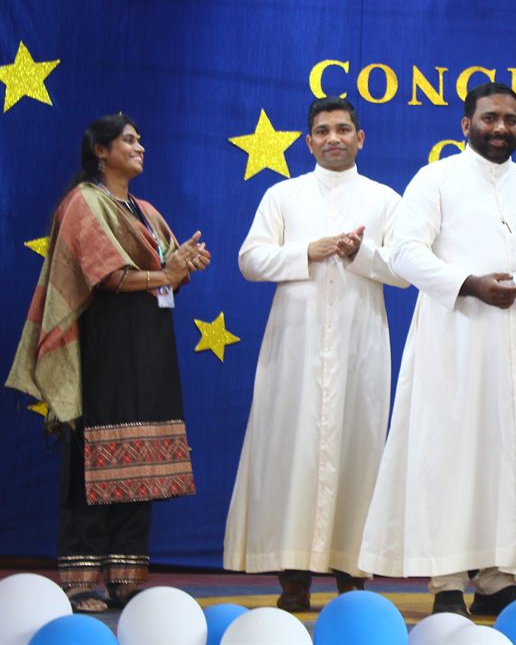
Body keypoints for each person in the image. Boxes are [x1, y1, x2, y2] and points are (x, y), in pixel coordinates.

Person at [358, 82, 516, 617]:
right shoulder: (436, 178)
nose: (501, 128)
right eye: (490, 118)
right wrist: (471, 284)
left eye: (510, 120)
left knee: (510, 453)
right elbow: (405, 252)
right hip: (453, 338)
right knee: (446, 453)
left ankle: (496, 579)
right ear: (465, 124)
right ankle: (447, 579)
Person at [6, 113, 209, 613]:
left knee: (139, 457)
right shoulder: (84, 203)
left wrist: (182, 266)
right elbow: (106, 276)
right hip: (105, 345)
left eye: (141, 140)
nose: (140, 147)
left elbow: (163, 274)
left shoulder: (146, 210)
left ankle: (125, 576)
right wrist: (165, 273)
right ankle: (79, 580)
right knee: (93, 457)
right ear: (101, 151)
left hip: (150, 346)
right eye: (129, 140)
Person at [223, 97, 407, 612]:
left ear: (360, 138)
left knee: (358, 448)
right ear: (308, 142)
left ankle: (353, 576)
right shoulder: (283, 195)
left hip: (360, 345)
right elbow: (250, 259)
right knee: (291, 452)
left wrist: (360, 253)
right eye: (322, 131)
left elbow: (405, 269)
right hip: (295, 346)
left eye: (343, 129)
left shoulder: (385, 200)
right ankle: (293, 578)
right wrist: (309, 250)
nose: (333, 138)